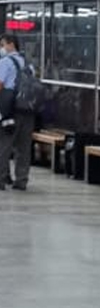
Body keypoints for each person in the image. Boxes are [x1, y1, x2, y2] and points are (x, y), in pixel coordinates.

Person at [0, 34, 35, 191]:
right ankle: (21, 180)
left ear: (10, 44)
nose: (2, 48)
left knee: (4, 145)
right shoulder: (29, 64)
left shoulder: (5, 62)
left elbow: (0, 84)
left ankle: (1, 179)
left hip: (10, 110)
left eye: (2, 44)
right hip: (28, 110)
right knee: (24, 147)